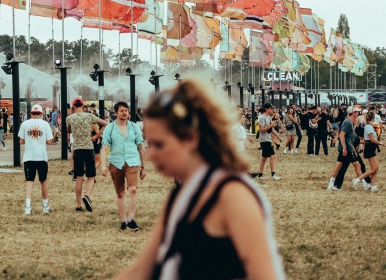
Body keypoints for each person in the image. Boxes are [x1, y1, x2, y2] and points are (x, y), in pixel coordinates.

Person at [115, 79, 285, 280]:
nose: (151, 155)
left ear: (191, 138)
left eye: (159, 144)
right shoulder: (181, 194)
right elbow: (142, 269)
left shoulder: (233, 195)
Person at [100, 101, 146, 231]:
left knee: (133, 189)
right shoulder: (110, 128)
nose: (125, 113)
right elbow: (104, 147)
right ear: (115, 113)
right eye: (122, 110)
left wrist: (144, 167)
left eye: (126, 110)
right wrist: (103, 165)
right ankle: (123, 221)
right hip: (116, 162)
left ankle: (131, 219)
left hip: (132, 161)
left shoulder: (134, 127)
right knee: (120, 193)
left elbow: (141, 147)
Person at [67, 98, 107, 212]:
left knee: (79, 177)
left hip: (78, 149)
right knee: (91, 175)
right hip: (89, 148)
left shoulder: (69, 118)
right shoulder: (89, 116)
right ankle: (87, 195)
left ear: (73, 107)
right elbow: (105, 124)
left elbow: (69, 131)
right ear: (83, 105)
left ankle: (78, 205)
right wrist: (97, 135)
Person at [18, 104, 54, 215]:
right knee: (43, 181)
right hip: (41, 157)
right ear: (41, 114)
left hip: (29, 157)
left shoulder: (25, 124)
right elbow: (49, 141)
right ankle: (45, 206)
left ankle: (28, 207)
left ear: (31, 113)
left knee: (29, 181)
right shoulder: (45, 124)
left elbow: (21, 141)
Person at [328, 106, 360, 191]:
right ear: (352, 112)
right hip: (347, 148)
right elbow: (342, 135)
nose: (358, 113)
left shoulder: (349, 122)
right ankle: (362, 181)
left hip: (347, 147)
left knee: (339, 166)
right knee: (357, 165)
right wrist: (345, 148)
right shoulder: (348, 122)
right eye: (356, 112)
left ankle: (332, 184)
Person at [353, 111, 381, 192]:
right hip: (370, 147)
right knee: (373, 169)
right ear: (373, 118)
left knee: (375, 168)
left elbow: (365, 140)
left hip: (370, 148)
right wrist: (381, 143)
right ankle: (358, 180)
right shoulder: (369, 127)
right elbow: (371, 139)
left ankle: (372, 186)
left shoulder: (369, 126)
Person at [256, 103, 281, 181]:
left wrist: (278, 136)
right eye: (271, 108)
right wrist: (271, 126)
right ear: (266, 109)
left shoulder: (269, 117)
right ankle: (273, 174)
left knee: (264, 158)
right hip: (264, 140)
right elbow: (262, 130)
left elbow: (272, 129)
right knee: (273, 156)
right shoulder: (261, 118)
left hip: (268, 139)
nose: (272, 109)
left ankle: (260, 174)